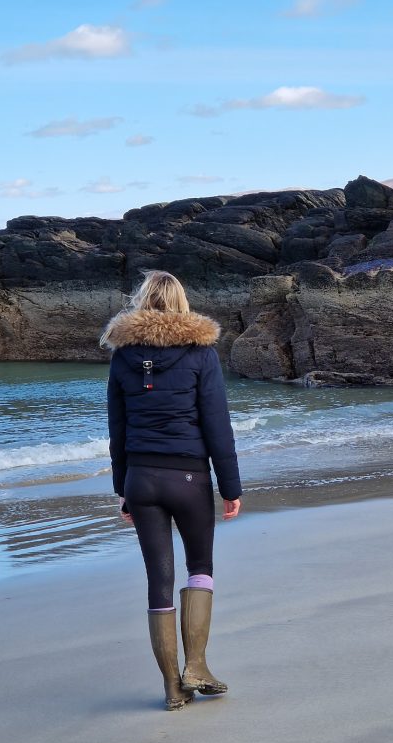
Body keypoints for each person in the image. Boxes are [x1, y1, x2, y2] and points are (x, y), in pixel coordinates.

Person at [100, 270, 243, 711]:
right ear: (181, 302)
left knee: (158, 580)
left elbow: (117, 430)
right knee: (199, 567)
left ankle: (171, 687)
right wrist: (230, 486)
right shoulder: (201, 354)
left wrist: (122, 488)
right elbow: (217, 425)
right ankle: (196, 666)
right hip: (189, 479)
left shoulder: (122, 356)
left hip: (141, 479)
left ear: (142, 302)